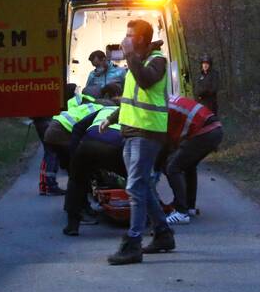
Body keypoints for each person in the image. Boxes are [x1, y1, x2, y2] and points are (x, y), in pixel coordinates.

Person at [99, 19, 176, 265]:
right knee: (143, 186)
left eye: (130, 35)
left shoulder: (157, 61)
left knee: (134, 187)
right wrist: (112, 118)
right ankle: (163, 234)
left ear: (141, 39)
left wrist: (130, 55)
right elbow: (130, 99)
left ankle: (133, 243)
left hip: (148, 132)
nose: (126, 38)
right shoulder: (136, 61)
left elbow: (145, 80)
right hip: (131, 131)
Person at [62, 101, 124, 236]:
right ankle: (150, 220)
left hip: (88, 143)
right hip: (115, 143)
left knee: (76, 181)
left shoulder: (103, 110)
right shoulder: (128, 109)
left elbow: (77, 128)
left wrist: (74, 158)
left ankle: (72, 225)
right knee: (136, 180)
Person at [159, 95, 223, 225]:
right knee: (188, 166)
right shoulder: (167, 100)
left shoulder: (161, 109)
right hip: (215, 129)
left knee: (173, 167)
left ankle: (181, 212)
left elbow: (168, 142)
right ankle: (189, 207)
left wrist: (157, 163)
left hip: (205, 132)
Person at [37, 84, 102, 195]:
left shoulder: (79, 102)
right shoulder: (96, 108)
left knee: (51, 155)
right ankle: (54, 187)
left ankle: (46, 185)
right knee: (72, 159)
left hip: (53, 126)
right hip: (60, 131)